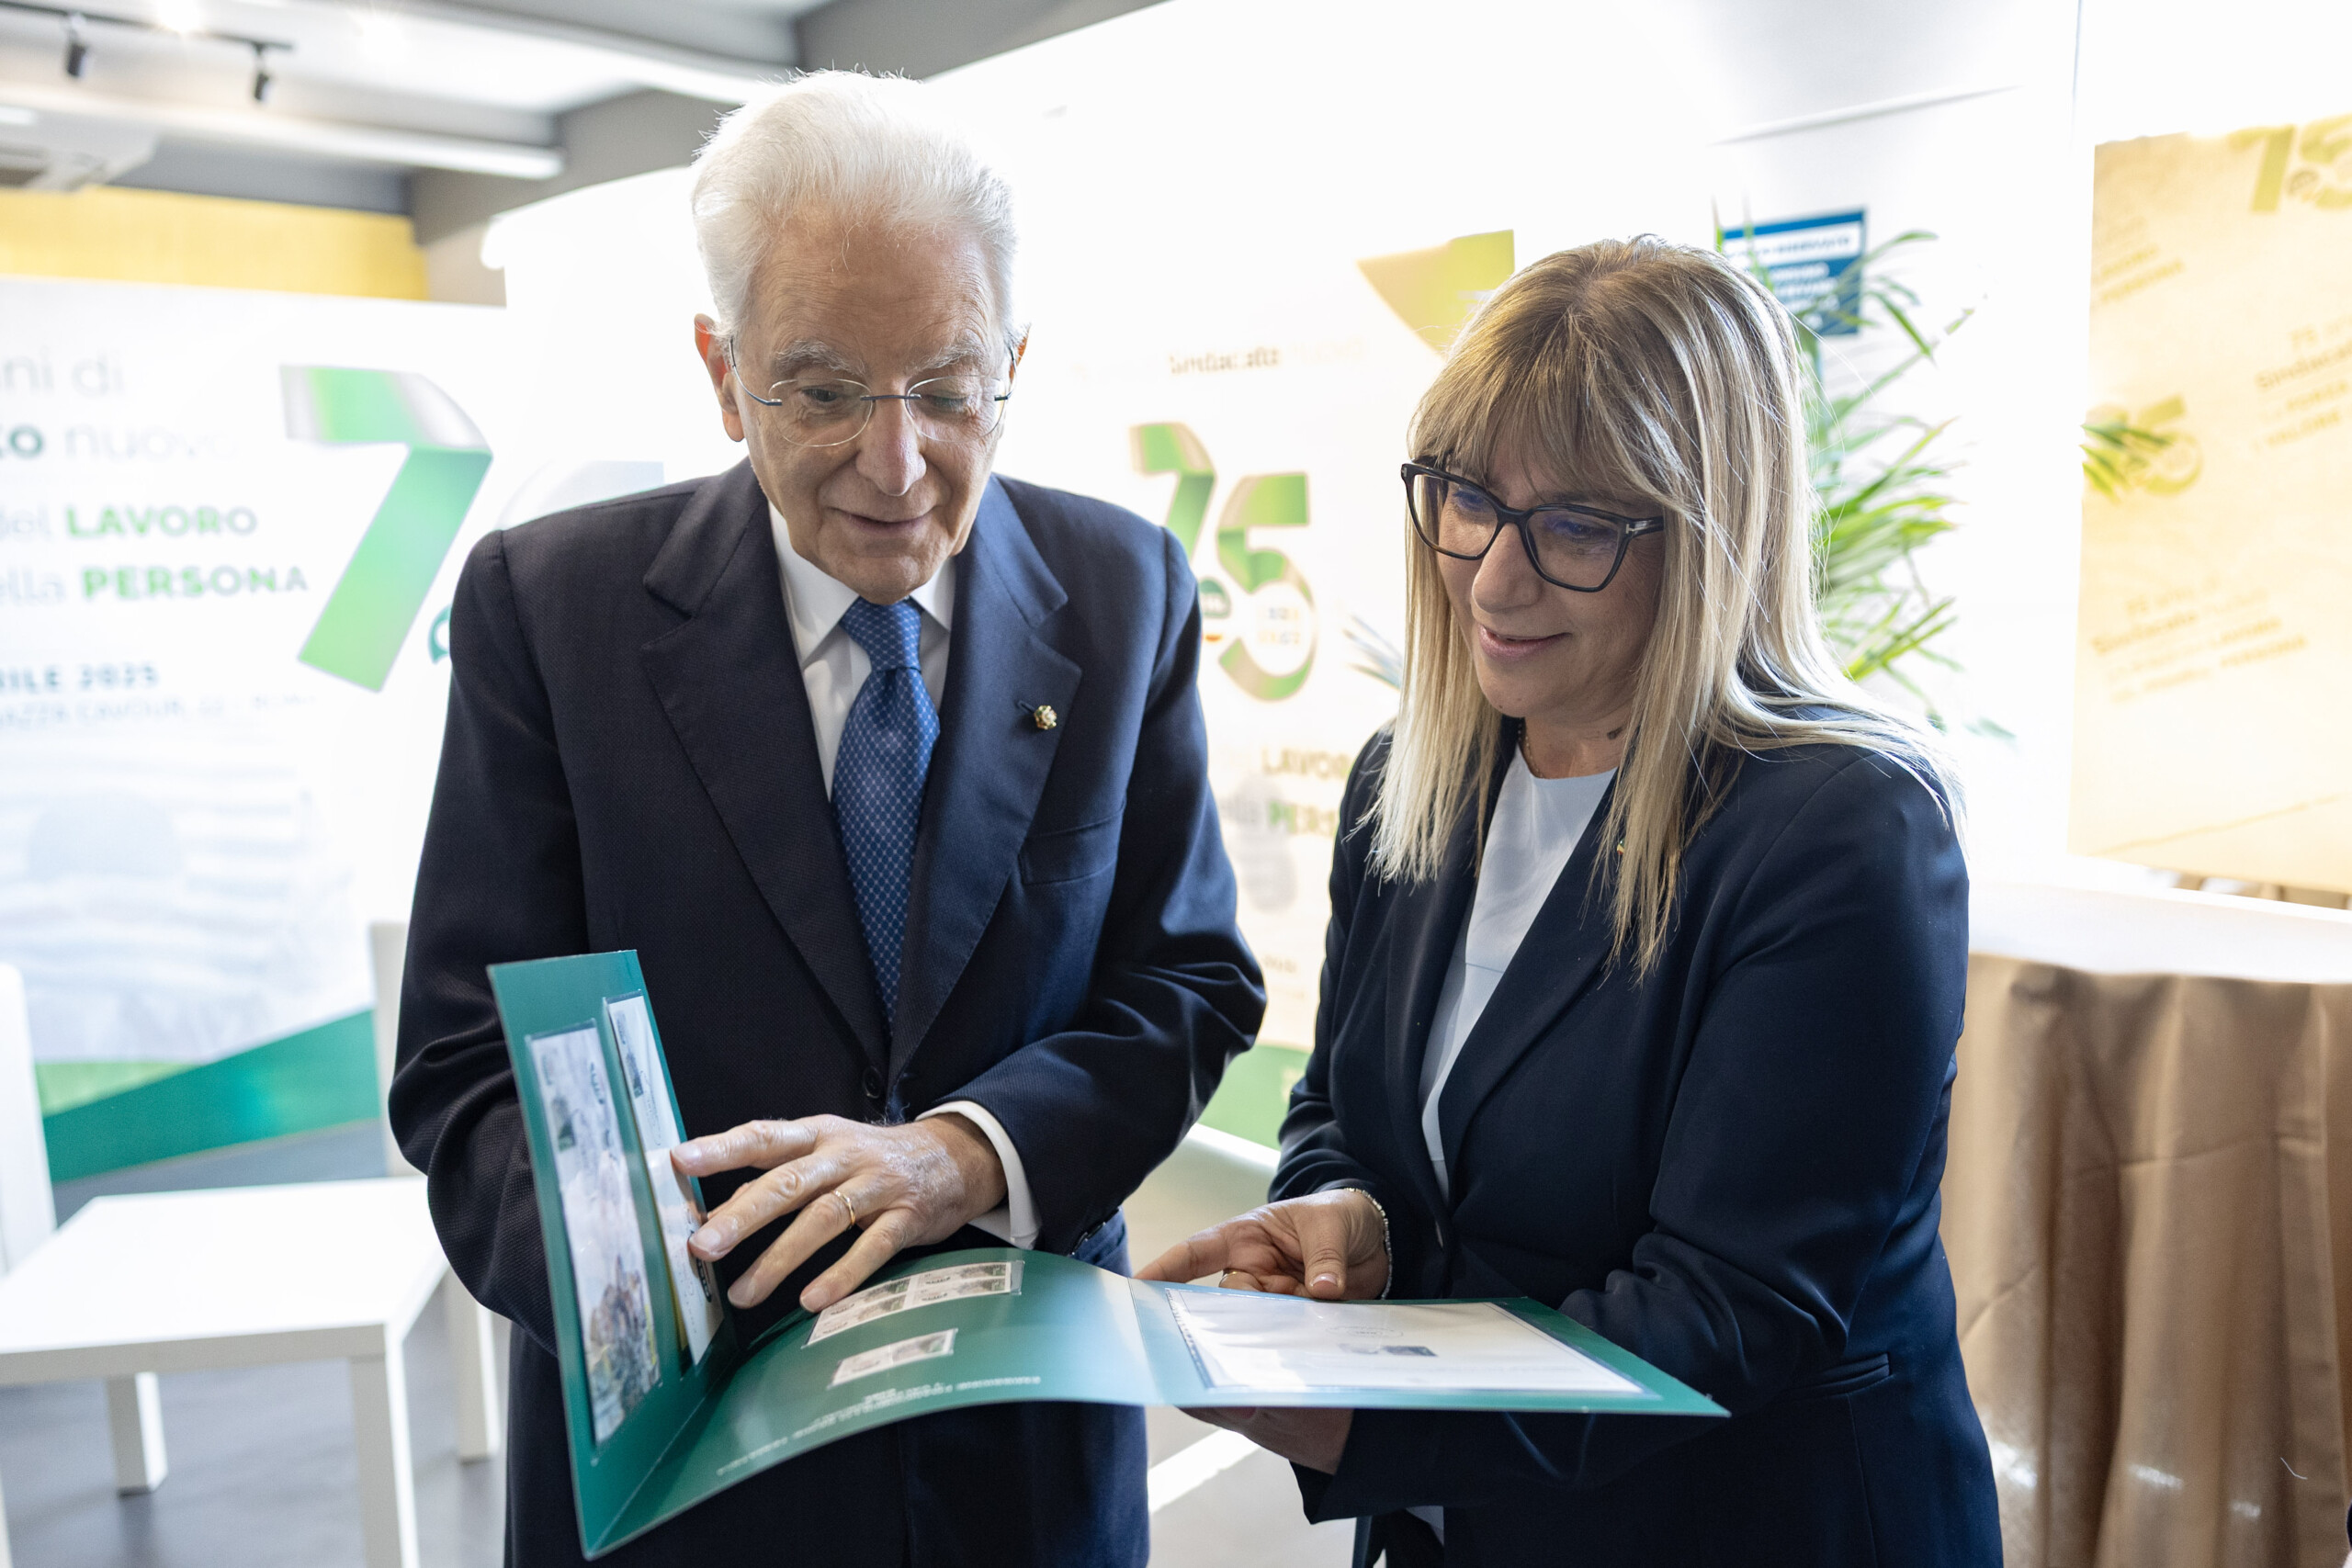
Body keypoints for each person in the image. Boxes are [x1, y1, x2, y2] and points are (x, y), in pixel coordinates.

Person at [391, 72, 1264, 1568]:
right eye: (825, 388)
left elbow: (1186, 983)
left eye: (946, 385)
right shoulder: (553, 612)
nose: (898, 459)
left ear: (1015, 364)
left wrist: (964, 1155)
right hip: (689, 1470)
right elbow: (465, 1068)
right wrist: (655, 1295)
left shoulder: (1127, 593)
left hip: (1022, 1468)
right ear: (723, 375)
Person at [1139, 238, 2001, 1566]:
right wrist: (1348, 1221)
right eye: (1468, 500)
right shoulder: (1409, 777)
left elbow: (1725, 1312)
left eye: (1579, 527)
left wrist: (1355, 1420)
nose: (1492, 575)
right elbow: (1341, 1106)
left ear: (1717, 538)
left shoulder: (1842, 831)